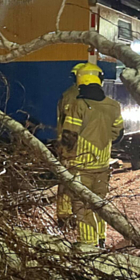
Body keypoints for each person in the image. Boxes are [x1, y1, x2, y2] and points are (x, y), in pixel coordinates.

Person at [59, 63, 124, 247]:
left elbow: (69, 136)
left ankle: (87, 245)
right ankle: (101, 239)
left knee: (82, 206)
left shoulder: (79, 104)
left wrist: (64, 158)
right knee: (99, 204)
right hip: (103, 166)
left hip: (81, 166)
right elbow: (118, 134)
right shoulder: (114, 105)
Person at [55, 63, 86, 222]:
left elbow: (60, 120)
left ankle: (64, 214)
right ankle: (79, 215)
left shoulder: (67, 94)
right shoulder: (85, 96)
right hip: (79, 147)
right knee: (81, 182)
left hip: (67, 146)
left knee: (66, 181)